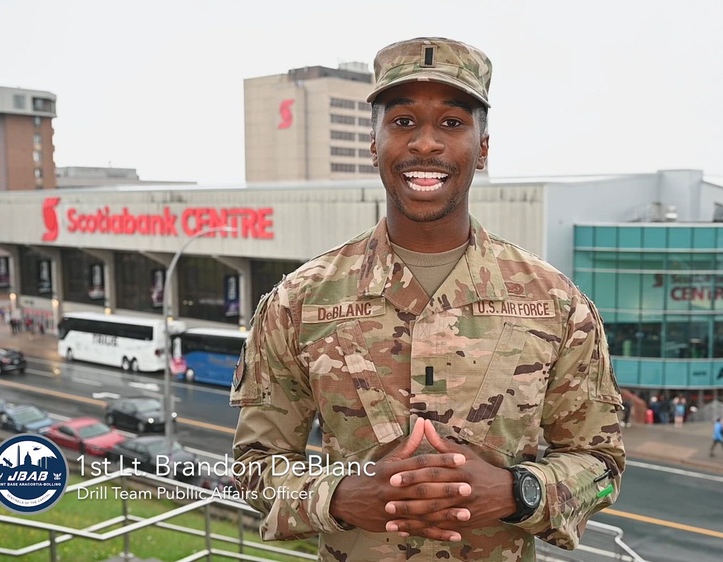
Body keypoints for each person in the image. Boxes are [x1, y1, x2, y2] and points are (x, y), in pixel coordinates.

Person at [231, 37, 625, 561]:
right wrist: (341, 496)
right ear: (373, 143)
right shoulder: (298, 302)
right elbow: (254, 466)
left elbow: (602, 469)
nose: (425, 144)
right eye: (402, 122)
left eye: (452, 123)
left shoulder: (556, 303)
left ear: (482, 148)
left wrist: (518, 493)